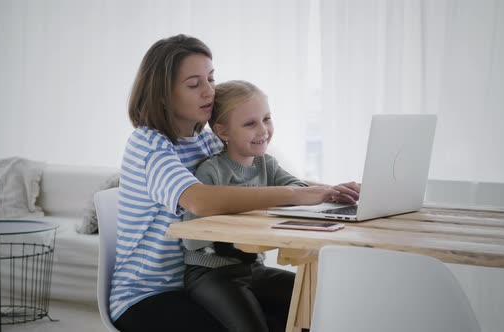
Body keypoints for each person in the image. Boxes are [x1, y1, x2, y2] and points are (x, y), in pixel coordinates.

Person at [110, 34, 360, 332]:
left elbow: (257, 174)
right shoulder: (150, 144)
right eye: (194, 84)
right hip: (149, 295)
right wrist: (295, 194)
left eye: (211, 80)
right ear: (163, 94)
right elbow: (200, 199)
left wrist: (326, 191)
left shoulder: (204, 139)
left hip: (214, 280)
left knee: (310, 308)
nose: (208, 92)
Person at [182, 80, 315, 332]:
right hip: (210, 274)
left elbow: (299, 192)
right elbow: (192, 240)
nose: (263, 129)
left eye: (266, 118)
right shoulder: (210, 172)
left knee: (313, 302)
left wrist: (326, 194)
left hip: (254, 269)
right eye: (250, 123)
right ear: (223, 132)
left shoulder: (268, 165)